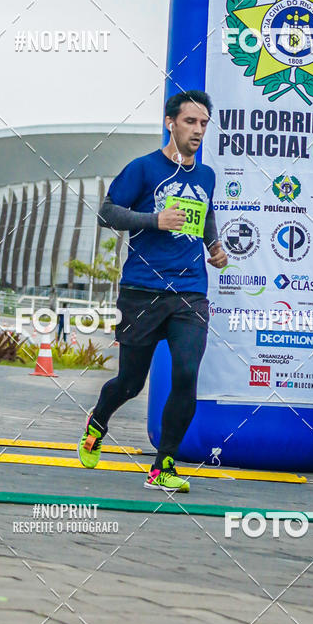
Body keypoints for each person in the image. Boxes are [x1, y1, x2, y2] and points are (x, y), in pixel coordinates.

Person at [77, 90, 228, 492]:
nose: (197, 131)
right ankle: (98, 421)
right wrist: (154, 220)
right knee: (130, 383)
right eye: (190, 122)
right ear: (170, 123)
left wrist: (213, 246)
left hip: (190, 292)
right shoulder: (144, 169)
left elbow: (205, 214)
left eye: (203, 124)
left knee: (185, 373)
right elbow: (108, 213)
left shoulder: (207, 176)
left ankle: (164, 465)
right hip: (142, 290)